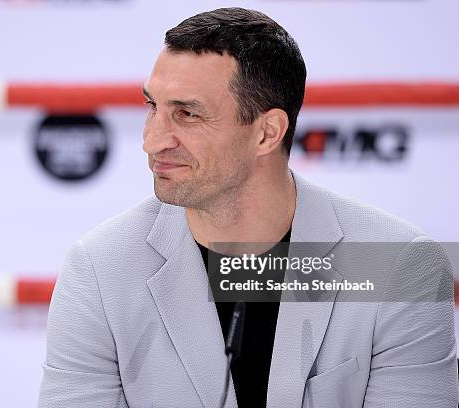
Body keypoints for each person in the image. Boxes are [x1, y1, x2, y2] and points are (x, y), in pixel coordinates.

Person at [38, 8, 457, 408]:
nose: (152, 140)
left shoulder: (400, 267)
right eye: (153, 107)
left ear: (267, 133)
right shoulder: (99, 269)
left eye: (186, 113)